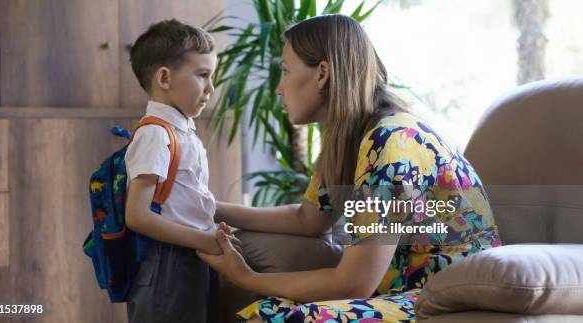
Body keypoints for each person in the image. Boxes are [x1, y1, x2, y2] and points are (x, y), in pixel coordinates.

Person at [198, 14, 501, 322]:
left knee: (273, 317)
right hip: (404, 291)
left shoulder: (391, 141)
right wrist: (211, 207)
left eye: (286, 71)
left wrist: (247, 278)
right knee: (265, 313)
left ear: (322, 74)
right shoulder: (353, 139)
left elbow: (355, 283)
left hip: (445, 296)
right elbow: (308, 219)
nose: (279, 88)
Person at [123, 19, 241, 323]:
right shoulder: (155, 134)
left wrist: (209, 232)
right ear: (164, 78)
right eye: (203, 75)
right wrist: (204, 240)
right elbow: (137, 215)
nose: (211, 88)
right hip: (167, 264)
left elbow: (185, 202)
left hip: (188, 255)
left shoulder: (181, 131)